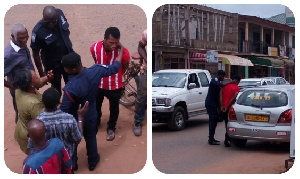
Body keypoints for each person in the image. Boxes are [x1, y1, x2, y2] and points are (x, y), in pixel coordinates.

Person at [60, 50, 122, 171]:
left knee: (73, 141)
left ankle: (73, 164)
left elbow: (64, 111)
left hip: (75, 118)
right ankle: (92, 162)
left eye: (65, 68)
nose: (65, 70)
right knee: (91, 138)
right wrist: (121, 50)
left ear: (72, 70)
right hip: (92, 113)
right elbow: (114, 68)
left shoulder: (70, 88)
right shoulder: (96, 70)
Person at [33, 87, 88, 172]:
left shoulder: (37, 123)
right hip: (67, 157)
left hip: (47, 161)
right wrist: (80, 118)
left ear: (43, 103)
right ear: (58, 103)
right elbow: (78, 138)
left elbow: (32, 145)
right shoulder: (69, 119)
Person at [90, 27, 130, 141]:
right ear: (105, 39)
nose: (114, 46)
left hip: (115, 85)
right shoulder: (94, 47)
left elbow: (125, 64)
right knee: (96, 105)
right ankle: (96, 122)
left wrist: (120, 74)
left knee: (114, 107)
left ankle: (111, 127)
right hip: (98, 83)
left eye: (116, 43)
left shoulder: (123, 52)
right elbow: (96, 60)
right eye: (111, 42)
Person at [31, 5, 73, 96]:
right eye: (48, 22)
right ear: (43, 18)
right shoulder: (38, 31)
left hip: (67, 58)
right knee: (56, 90)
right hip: (53, 65)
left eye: (54, 21)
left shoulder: (59, 13)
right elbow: (35, 54)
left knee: (71, 86)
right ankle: (57, 108)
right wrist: (42, 74)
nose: (51, 24)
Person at [13, 69, 53, 154]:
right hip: (32, 136)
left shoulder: (18, 90)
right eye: (37, 77)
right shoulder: (34, 104)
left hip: (21, 128)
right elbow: (44, 120)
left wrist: (47, 78)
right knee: (38, 157)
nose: (39, 77)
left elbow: (37, 82)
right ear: (31, 84)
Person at [4, 23, 35, 123]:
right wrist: (11, 85)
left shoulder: (21, 45)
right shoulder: (8, 55)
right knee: (21, 112)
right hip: (19, 90)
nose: (25, 40)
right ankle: (21, 133)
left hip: (29, 85)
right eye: (22, 38)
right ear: (13, 37)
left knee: (30, 110)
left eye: (26, 36)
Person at [205, 70, 234, 145]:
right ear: (218, 75)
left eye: (224, 76)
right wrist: (231, 82)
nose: (223, 78)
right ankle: (211, 139)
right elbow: (220, 85)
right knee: (213, 121)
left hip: (215, 104)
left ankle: (212, 138)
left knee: (214, 121)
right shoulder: (214, 80)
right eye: (222, 76)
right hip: (211, 104)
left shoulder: (218, 81)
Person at [133, 29, 147, 136]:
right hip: (146, 70)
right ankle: (137, 121)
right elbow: (140, 46)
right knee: (142, 96)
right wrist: (146, 58)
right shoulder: (146, 33)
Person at [220, 75, 241, 147]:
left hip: (223, 107)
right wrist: (227, 106)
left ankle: (228, 139)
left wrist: (222, 106)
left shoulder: (225, 86)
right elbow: (234, 98)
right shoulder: (237, 88)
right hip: (230, 108)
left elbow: (220, 96)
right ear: (237, 81)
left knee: (226, 124)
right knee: (230, 124)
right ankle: (227, 140)